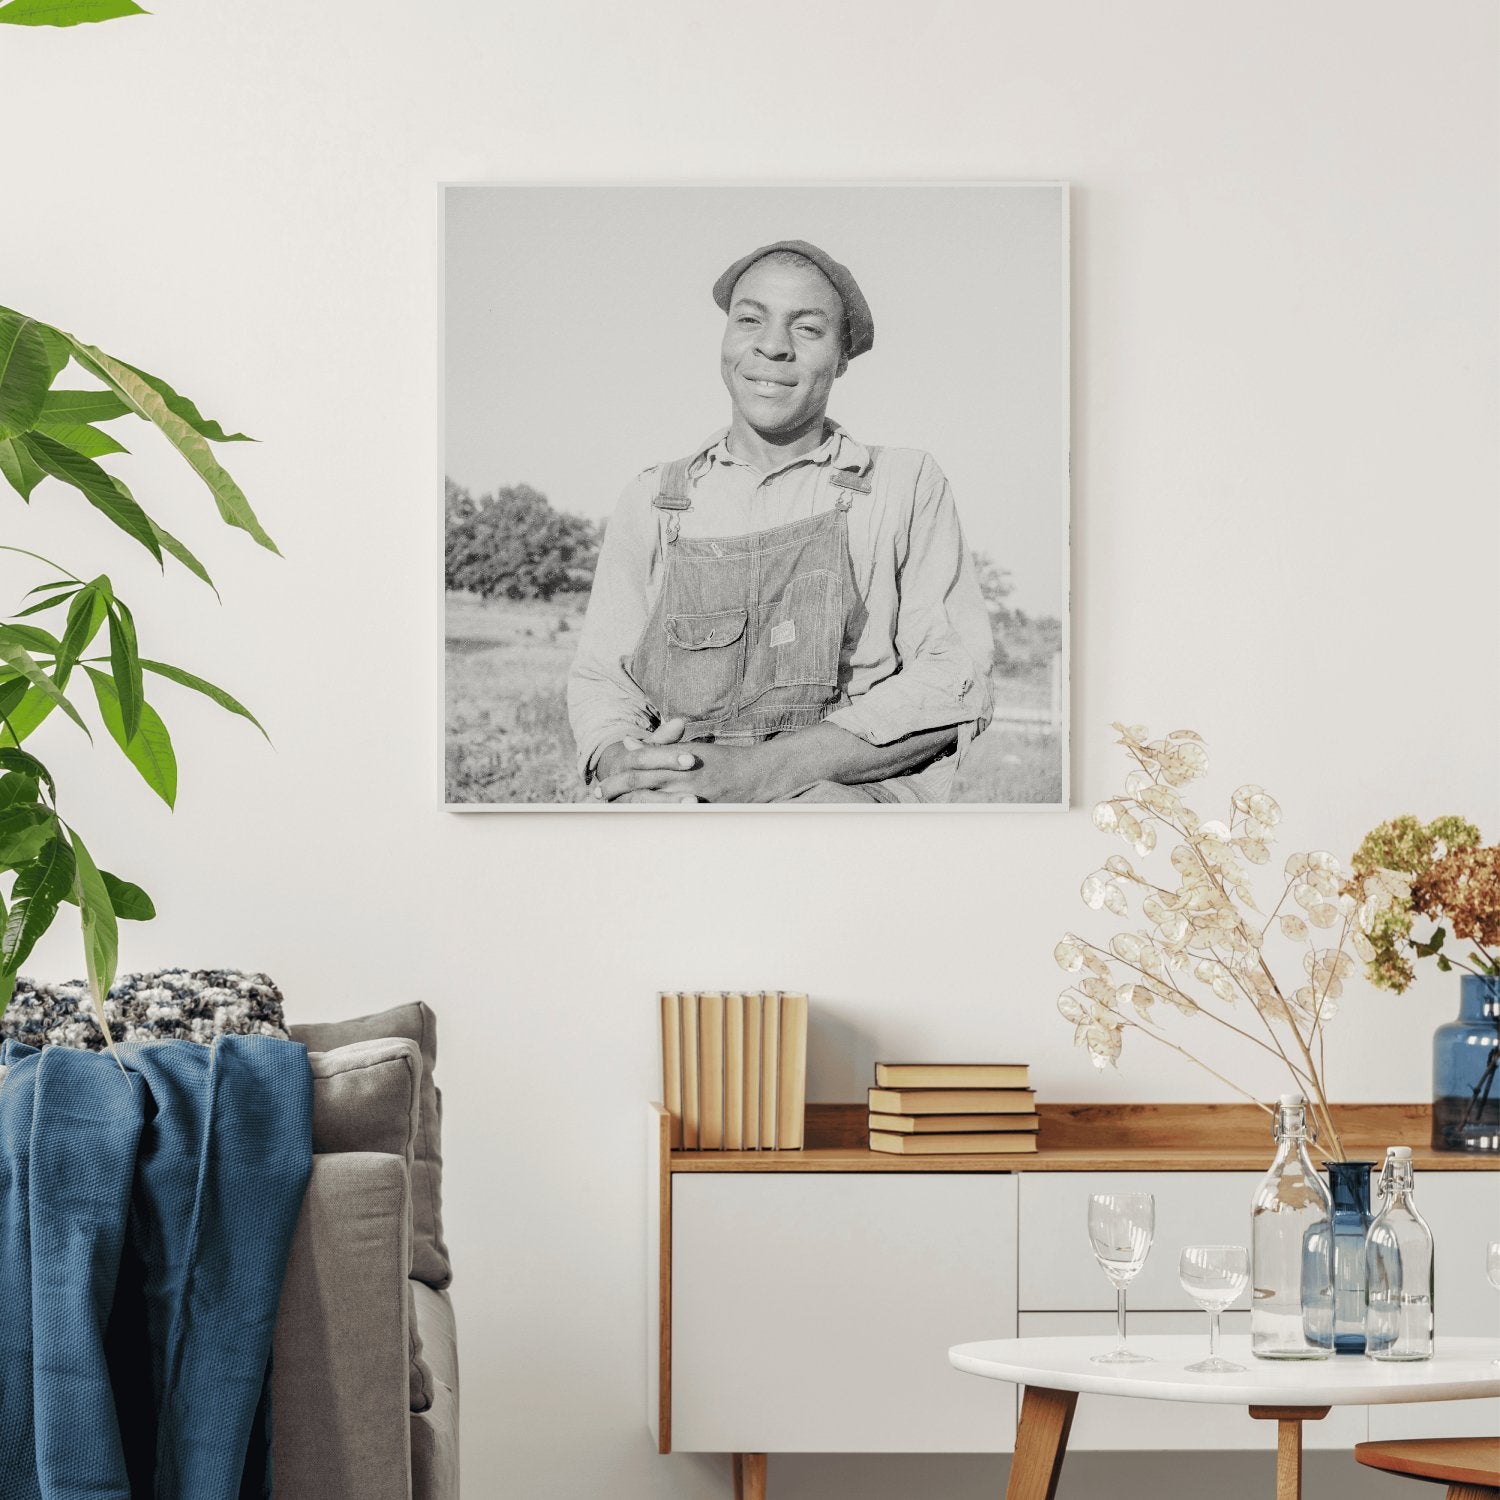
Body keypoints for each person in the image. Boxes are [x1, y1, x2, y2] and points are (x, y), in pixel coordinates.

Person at [567, 238, 994, 805]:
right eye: (749, 320)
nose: (772, 347)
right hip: (683, 785)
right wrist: (626, 759)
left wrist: (762, 771)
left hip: (843, 792)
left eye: (808, 329)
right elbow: (603, 680)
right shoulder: (656, 499)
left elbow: (953, 678)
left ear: (842, 356)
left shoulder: (904, 485)